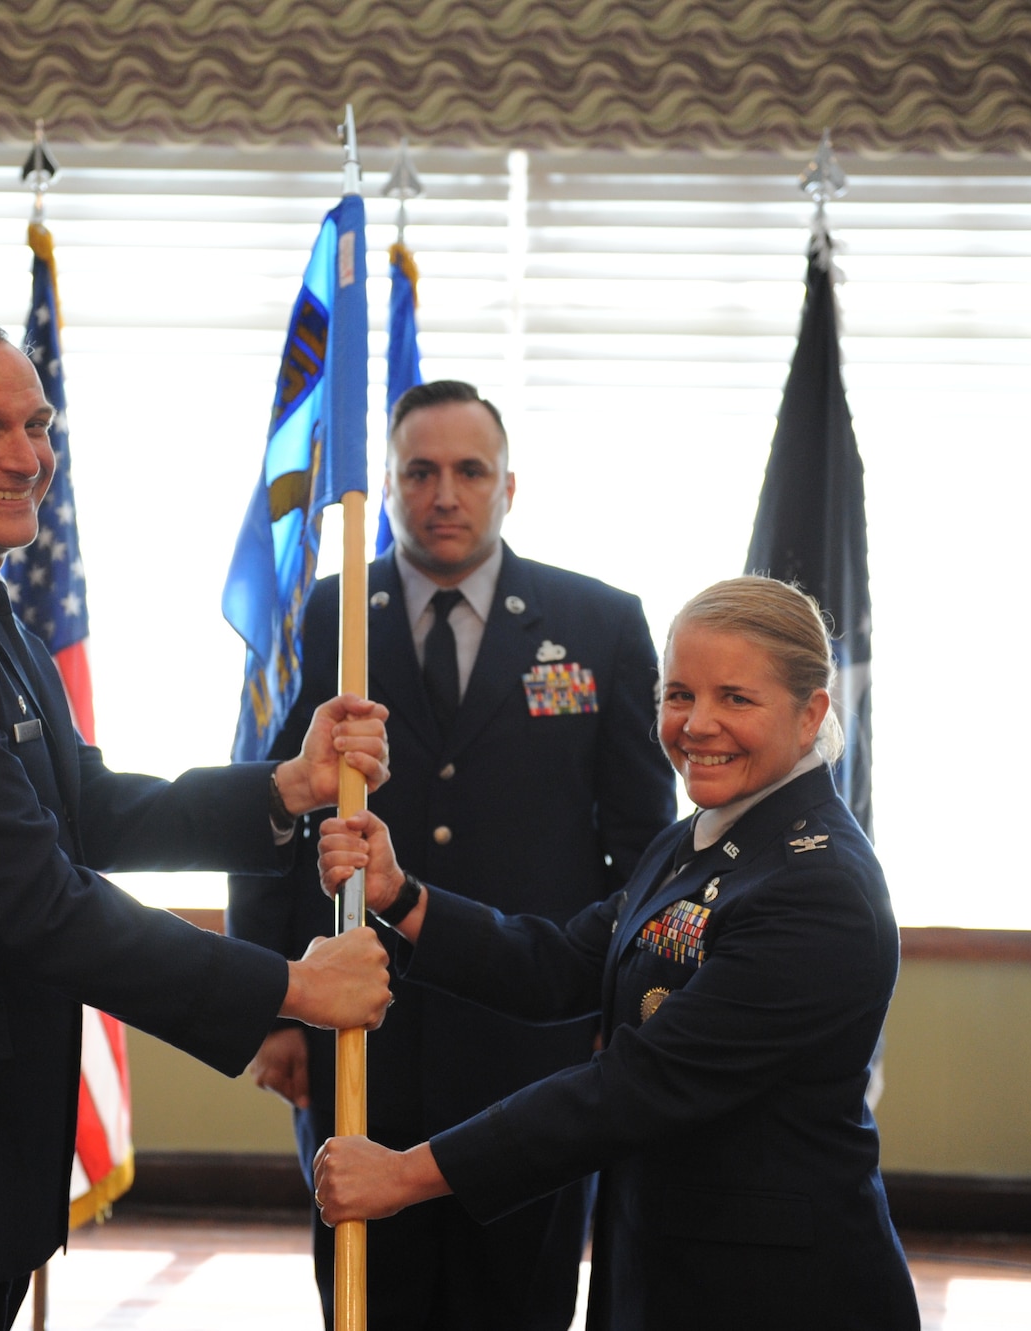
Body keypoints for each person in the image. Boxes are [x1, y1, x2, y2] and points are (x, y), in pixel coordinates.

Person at [0, 318, 395, 1331]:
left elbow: (79, 806)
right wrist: (291, 985)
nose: (24, 456)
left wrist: (287, 787)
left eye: (36, 424)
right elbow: (31, 896)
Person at [314, 576, 920, 1330]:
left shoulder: (817, 886)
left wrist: (406, 1173)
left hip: (772, 1288)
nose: (697, 724)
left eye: (736, 698)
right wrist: (400, 896)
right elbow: (559, 963)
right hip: (660, 1262)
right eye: (678, 694)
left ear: (811, 713)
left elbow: (632, 1087)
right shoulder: (693, 840)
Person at [228, 380, 677, 1329]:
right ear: (386, 486)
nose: (445, 493)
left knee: (517, 1297)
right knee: (366, 1297)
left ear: (510, 487)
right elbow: (263, 803)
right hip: (357, 1033)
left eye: (470, 471)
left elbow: (640, 846)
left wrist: (619, 1001)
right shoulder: (325, 614)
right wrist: (266, 1007)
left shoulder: (598, 624)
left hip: (531, 1044)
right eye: (419, 472)